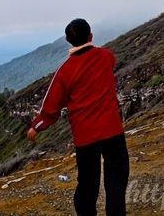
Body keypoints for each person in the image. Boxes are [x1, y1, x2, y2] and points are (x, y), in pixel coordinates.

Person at [27, 18, 129, 216]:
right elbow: (109, 60)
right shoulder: (106, 56)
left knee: (88, 184)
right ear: (91, 35)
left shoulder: (65, 72)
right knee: (116, 179)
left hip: (85, 136)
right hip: (112, 130)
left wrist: (36, 126)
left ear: (67, 40)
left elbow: (51, 106)